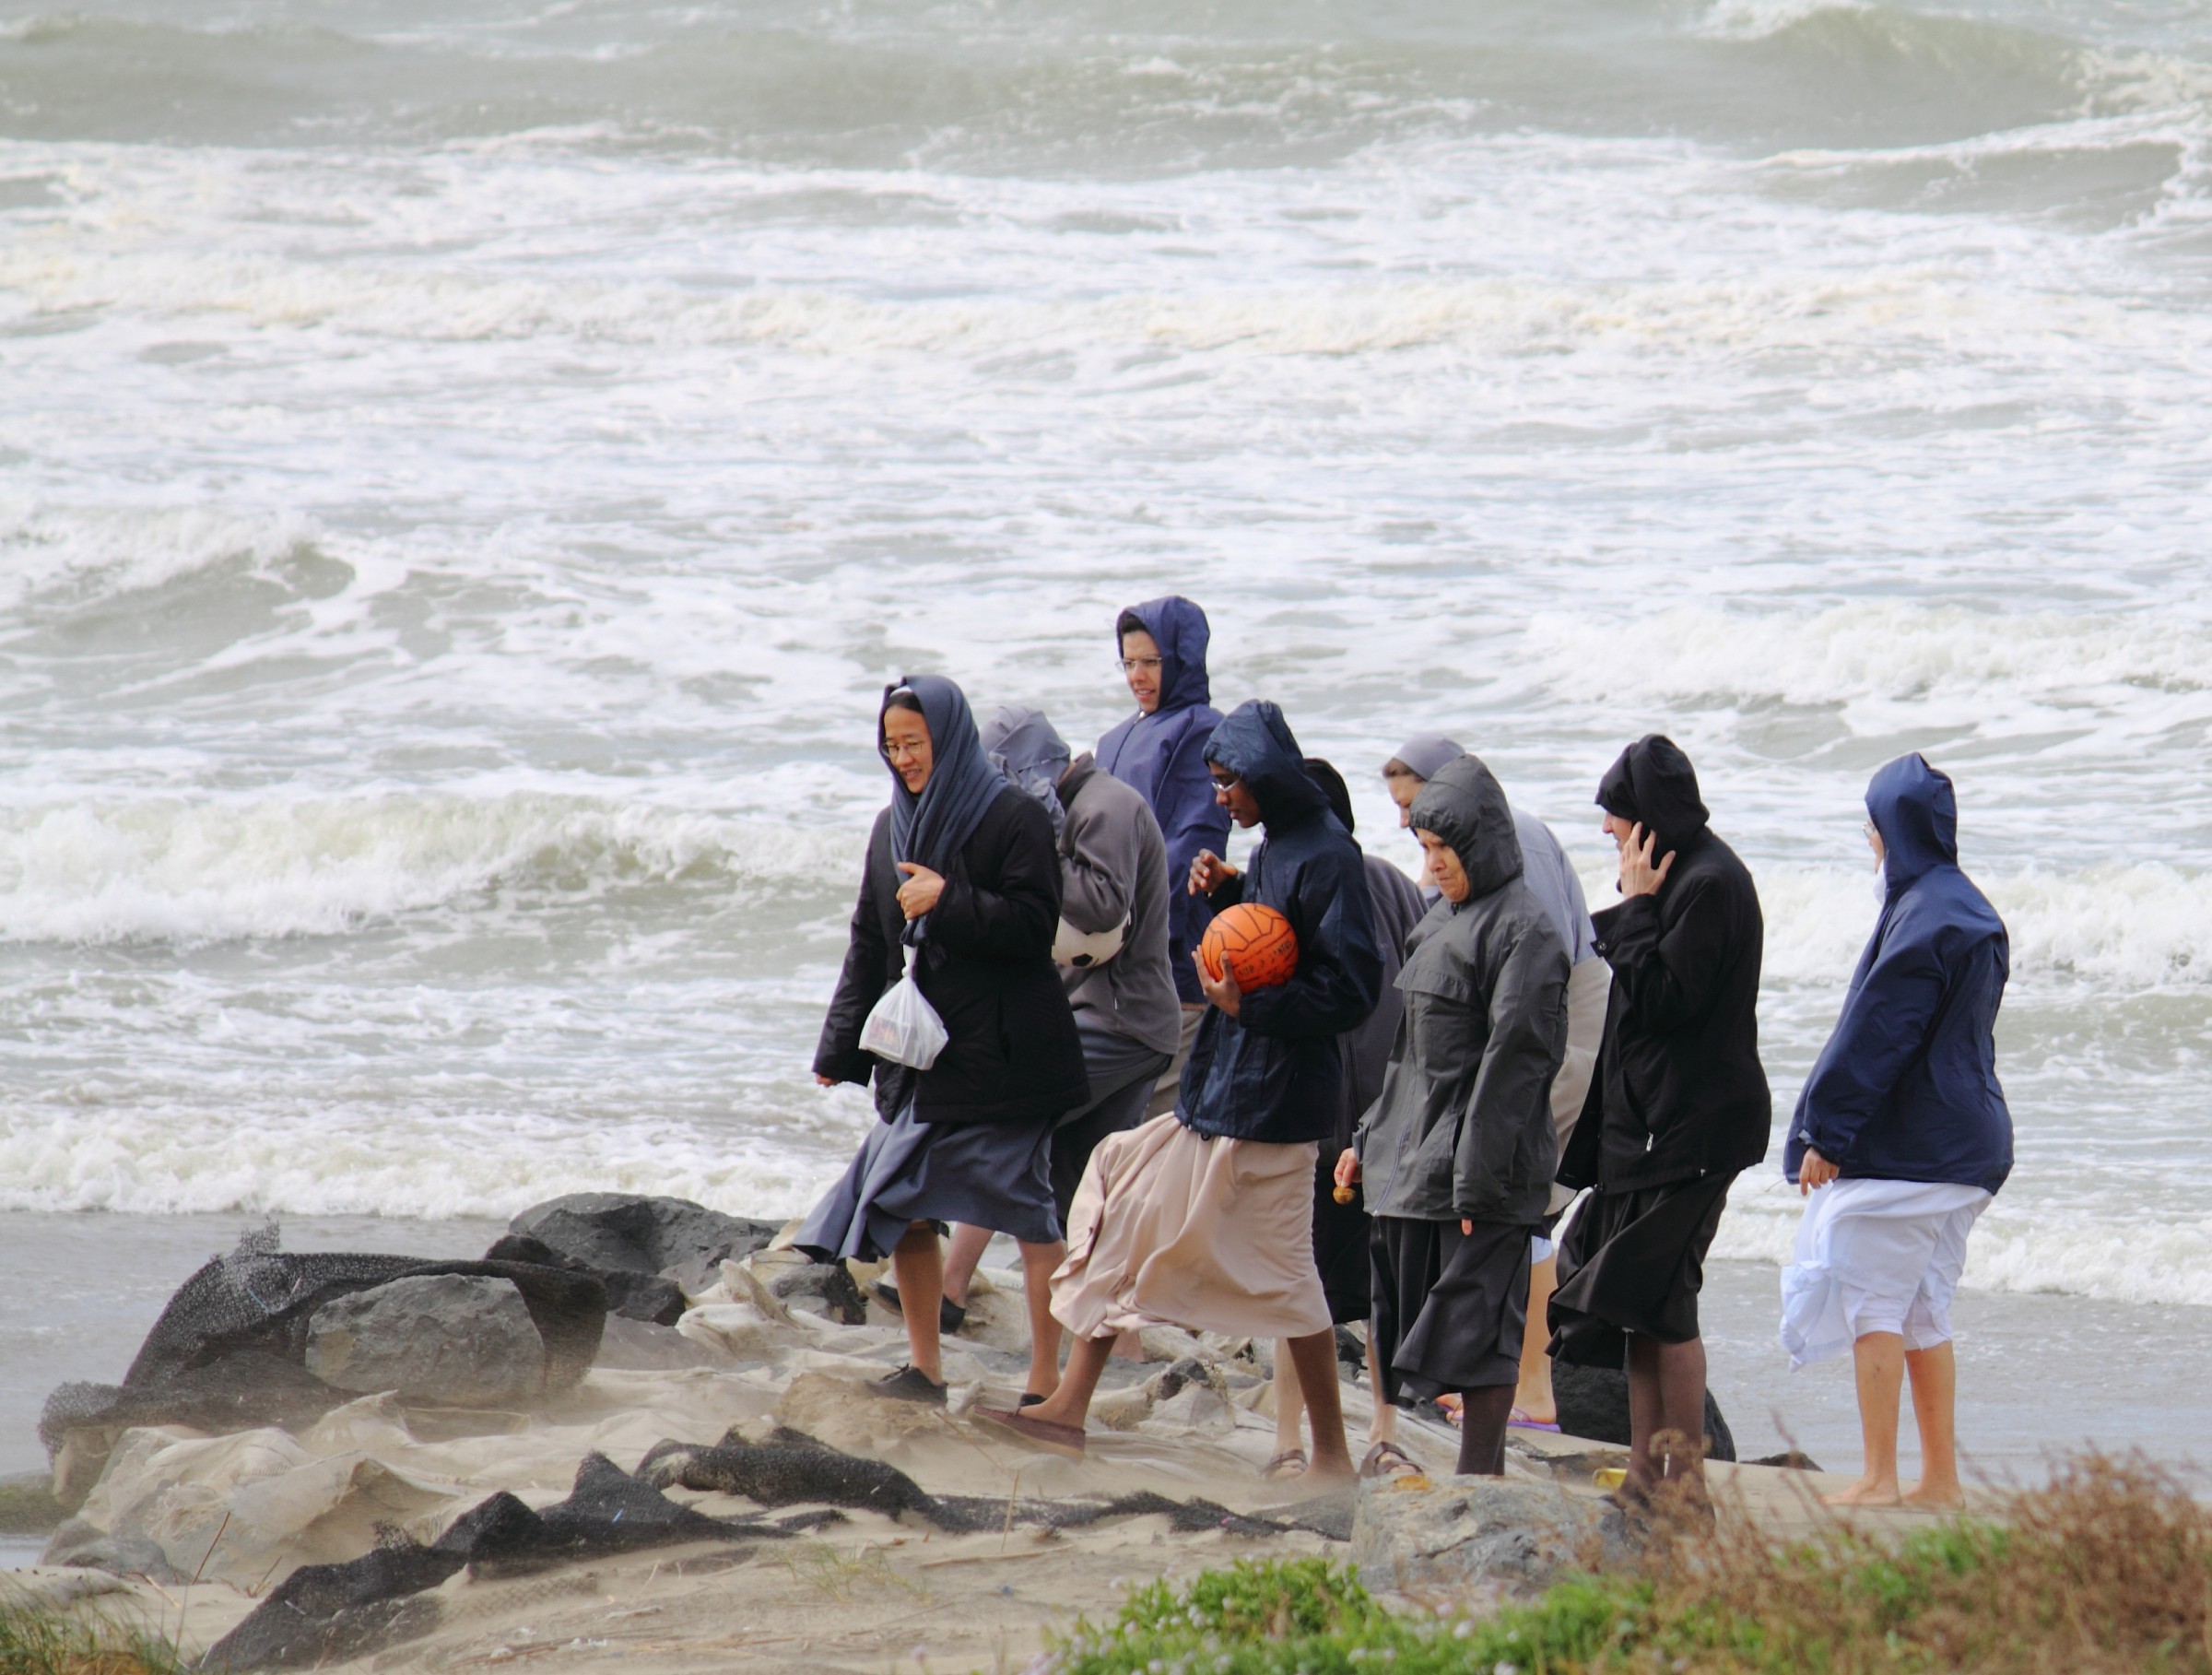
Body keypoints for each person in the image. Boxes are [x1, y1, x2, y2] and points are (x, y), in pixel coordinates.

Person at [978, 701, 1382, 1481]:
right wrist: (1233, 897)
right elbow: (1273, 945)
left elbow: (1351, 988)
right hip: (1222, 1092)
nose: (1221, 797)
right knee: (1123, 1211)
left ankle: (1331, 1455)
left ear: (1265, 776)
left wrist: (1249, 1005)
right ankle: (1066, 1410)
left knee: (1293, 1278)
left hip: (1277, 1109)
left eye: (1230, 782)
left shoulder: (1330, 855)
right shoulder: (1274, 848)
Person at [799, 676, 1088, 1408]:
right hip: (924, 1059)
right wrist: (839, 1051)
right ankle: (926, 1368)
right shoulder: (887, 827)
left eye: (914, 743)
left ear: (949, 737)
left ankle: (1046, 1379)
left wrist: (948, 898)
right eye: (891, 746)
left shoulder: (1013, 817)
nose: (903, 759)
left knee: (1029, 1209)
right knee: (899, 1200)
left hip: (1009, 1054)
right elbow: (870, 941)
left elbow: (1034, 928)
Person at [1781, 754, 2013, 1509]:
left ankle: (1881, 1476)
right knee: (1922, 1307)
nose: (1870, 846)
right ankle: (1939, 1480)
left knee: (1874, 1302)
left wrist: (1827, 1134)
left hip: (1923, 1148)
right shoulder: (1970, 908)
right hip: (1970, 1144)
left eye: (1872, 832)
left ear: (1895, 833)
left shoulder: (1922, 918)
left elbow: (1880, 1037)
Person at [1549, 735, 1769, 1512]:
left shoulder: (1711, 883)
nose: (1610, 839)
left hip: (1698, 1129)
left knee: (1666, 1301)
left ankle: (1692, 1492)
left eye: (1616, 825)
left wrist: (1637, 907)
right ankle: (1648, 1478)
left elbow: (1668, 1001)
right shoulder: (1682, 873)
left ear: (1649, 823)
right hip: (1651, 1128)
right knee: (1637, 1304)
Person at [1336, 754, 1570, 1477]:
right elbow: (1407, 1058)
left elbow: (1515, 1065)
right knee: (1413, 1319)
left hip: (1480, 1166)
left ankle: (1481, 1475)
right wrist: (1365, 1141)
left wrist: (1476, 1180)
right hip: (1415, 1157)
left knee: (1481, 1328)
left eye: (1447, 849)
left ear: (1485, 843)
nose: (1435, 863)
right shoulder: (1440, 919)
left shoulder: (1527, 931)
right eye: (1427, 849)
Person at [1381, 736, 1608, 1433]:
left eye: (1416, 811)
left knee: (1521, 1201)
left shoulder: (1518, 882)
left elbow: (1519, 1003)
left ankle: (1533, 1388)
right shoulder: (1460, 878)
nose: (1409, 833)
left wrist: (1475, 1176)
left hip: (1569, 1006)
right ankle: (1505, 1381)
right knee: (1498, 1198)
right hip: (1523, 1017)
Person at [931, 707, 1181, 1336]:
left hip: (1118, 1017)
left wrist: (1040, 838)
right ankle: (1117, 1345)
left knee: (1012, 1121)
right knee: (1083, 1191)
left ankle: (949, 1287)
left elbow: (1100, 906)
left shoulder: (1106, 805)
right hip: (1120, 1020)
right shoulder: (1077, 805)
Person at [1262, 757, 1426, 1480]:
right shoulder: (1298, 884)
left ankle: (1362, 1433)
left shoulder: (1375, 882)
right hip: (1335, 1117)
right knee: (1314, 1278)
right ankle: (1294, 1438)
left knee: (1348, 1279)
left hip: (1369, 1118)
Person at [1095, 597, 1230, 1117]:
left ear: (1182, 658)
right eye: (1128, 662)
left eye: (1151, 661)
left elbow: (1191, 847)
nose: (1137, 676)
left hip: (1171, 971)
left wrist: (1130, 933)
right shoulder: (1114, 740)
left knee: (1154, 1130)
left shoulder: (1200, 729)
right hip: (1110, 967)